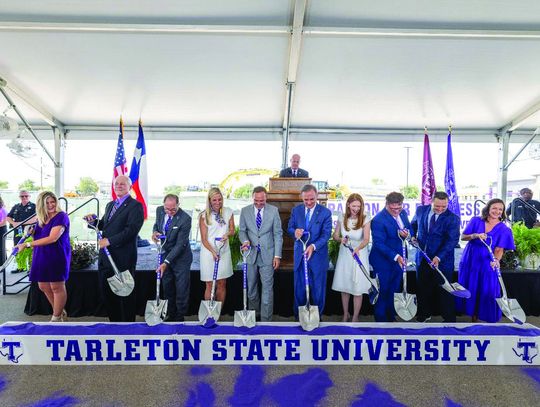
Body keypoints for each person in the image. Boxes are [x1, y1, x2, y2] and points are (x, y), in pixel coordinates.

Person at [84, 175, 144, 322]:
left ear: (129, 187)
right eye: (116, 183)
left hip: (123, 257)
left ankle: (128, 326)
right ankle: (115, 324)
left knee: (125, 293)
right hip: (106, 257)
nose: (119, 185)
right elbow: (104, 224)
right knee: (108, 293)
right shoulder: (111, 204)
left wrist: (109, 241)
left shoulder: (135, 206)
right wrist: (93, 222)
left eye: (123, 184)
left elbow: (131, 231)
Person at [456, 198, 515, 323]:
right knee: (471, 285)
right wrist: (475, 235)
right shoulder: (476, 221)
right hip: (471, 258)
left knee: (486, 287)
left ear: (503, 211)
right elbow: (463, 237)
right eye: (494, 208)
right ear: (488, 208)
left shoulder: (504, 229)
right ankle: (473, 316)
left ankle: (484, 316)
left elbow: (499, 249)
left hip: (488, 260)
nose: (497, 211)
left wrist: (497, 260)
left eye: (500, 209)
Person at [16, 191, 70, 322]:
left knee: (56, 287)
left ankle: (56, 317)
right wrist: (31, 232)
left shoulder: (61, 216)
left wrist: (27, 244)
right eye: (47, 203)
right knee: (43, 286)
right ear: (41, 204)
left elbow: (53, 238)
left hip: (56, 255)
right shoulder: (41, 218)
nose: (51, 205)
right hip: (41, 255)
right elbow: (39, 234)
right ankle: (59, 311)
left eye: (53, 202)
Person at [411, 191, 460, 323]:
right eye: (437, 206)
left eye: (443, 207)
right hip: (422, 258)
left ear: (447, 204)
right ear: (431, 201)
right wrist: (412, 236)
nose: (440, 209)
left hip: (442, 261)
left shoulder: (453, 218)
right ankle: (423, 315)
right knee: (422, 289)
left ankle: (449, 319)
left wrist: (439, 257)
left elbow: (452, 241)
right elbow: (413, 225)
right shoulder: (420, 210)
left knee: (445, 291)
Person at [239, 186, 283, 321]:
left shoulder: (274, 211)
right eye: (256, 201)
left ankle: (266, 321)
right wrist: (245, 241)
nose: (259, 204)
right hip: (250, 255)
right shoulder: (244, 211)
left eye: (262, 201)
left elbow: (278, 234)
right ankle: (253, 315)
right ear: (252, 198)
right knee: (251, 288)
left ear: (266, 198)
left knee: (267, 290)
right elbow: (242, 231)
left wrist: (277, 255)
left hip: (268, 256)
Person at [288, 184, 332, 318]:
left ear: (317, 196)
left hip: (318, 257)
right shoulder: (296, 211)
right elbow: (290, 228)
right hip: (300, 257)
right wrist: (294, 232)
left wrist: (313, 246)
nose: (308, 202)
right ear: (301, 197)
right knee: (299, 290)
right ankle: (299, 318)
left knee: (318, 291)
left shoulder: (325, 212)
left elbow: (326, 235)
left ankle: (316, 318)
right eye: (305, 200)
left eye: (312, 199)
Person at [369, 192, 412, 322]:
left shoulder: (403, 213)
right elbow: (379, 244)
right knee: (382, 291)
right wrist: (397, 256)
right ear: (386, 204)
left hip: (399, 261)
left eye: (399, 208)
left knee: (393, 290)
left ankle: (391, 317)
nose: (397, 211)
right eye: (393, 209)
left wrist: (408, 234)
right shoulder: (378, 220)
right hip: (382, 261)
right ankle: (381, 321)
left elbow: (410, 229)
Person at [151, 194, 193, 322]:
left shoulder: (185, 219)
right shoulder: (159, 210)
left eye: (173, 210)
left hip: (181, 257)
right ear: (163, 205)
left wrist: (166, 262)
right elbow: (156, 225)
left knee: (181, 288)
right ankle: (170, 312)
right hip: (164, 253)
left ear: (178, 205)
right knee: (167, 285)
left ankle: (180, 316)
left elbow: (180, 245)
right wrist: (155, 233)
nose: (169, 212)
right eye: (167, 209)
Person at [332, 193, 372, 322]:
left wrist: (358, 248)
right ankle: (345, 314)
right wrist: (341, 239)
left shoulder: (366, 218)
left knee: (357, 289)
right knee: (345, 287)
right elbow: (335, 236)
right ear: (348, 205)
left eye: (359, 206)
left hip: (359, 255)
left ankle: (355, 317)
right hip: (345, 256)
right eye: (354, 206)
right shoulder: (342, 217)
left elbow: (366, 239)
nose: (356, 209)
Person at [199, 187, 235, 304]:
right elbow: (204, 239)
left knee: (222, 283)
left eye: (220, 199)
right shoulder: (204, 216)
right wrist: (213, 252)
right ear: (209, 200)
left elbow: (232, 230)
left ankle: (217, 312)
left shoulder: (228, 212)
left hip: (223, 251)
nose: (217, 202)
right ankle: (209, 312)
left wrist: (227, 235)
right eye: (214, 200)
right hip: (208, 252)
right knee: (209, 284)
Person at [6, 190, 36, 272]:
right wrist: (13, 223)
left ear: (29, 196)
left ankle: (31, 267)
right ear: (19, 197)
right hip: (18, 232)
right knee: (17, 246)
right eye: (22, 196)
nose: (24, 198)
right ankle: (20, 267)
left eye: (26, 196)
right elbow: (8, 217)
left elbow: (35, 218)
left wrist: (20, 223)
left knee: (29, 248)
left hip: (30, 231)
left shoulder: (34, 206)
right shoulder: (16, 206)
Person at [0, 195, 7, 263]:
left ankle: (2, 264)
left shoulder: (2, 209)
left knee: (1, 248)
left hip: (2, 230)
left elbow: (4, 222)